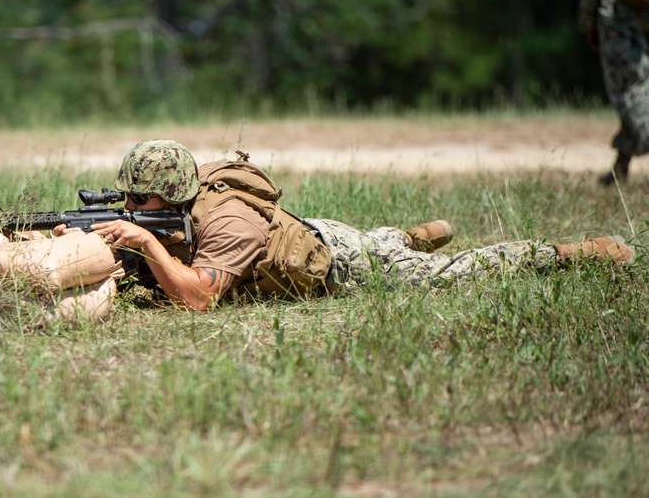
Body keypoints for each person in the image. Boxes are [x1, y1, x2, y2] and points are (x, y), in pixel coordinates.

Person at [73, 140, 636, 311]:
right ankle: (405, 235)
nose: (129, 206)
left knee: (446, 278)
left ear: (170, 194)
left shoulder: (230, 222)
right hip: (311, 232)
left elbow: (198, 301)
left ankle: (566, 252)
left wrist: (145, 240)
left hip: (339, 264)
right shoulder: (182, 211)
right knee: (382, 243)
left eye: (137, 200)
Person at [577, 0, 649, 185]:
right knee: (635, 87)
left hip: (619, 10)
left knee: (631, 88)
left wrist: (587, 21)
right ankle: (621, 167)